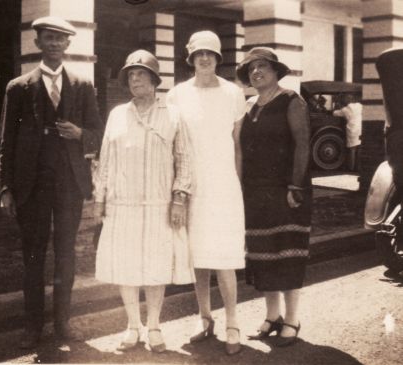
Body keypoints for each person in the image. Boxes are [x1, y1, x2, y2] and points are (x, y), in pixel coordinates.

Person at [0, 15, 103, 349]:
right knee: (33, 254)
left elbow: (98, 135)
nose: (55, 44)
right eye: (48, 38)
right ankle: (33, 327)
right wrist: (6, 188)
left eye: (60, 39)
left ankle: (63, 322)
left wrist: (80, 134)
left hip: (69, 183)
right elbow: (6, 143)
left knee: (66, 254)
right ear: (38, 43)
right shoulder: (18, 87)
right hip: (31, 183)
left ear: (68, 44)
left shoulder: (83, 85)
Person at [93, 49, 195, 353]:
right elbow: (106, 160)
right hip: (122, 205)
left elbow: (185, 159)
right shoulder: (116, 115)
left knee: (155, 267)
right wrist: (100, 199)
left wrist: (179, 198)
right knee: (126, 268)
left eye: (141, 74)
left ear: (154, 79)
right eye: (131, 75)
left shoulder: (173, 114)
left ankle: (153, 326)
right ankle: (132, 326)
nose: (135, 80)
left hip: (158, 205)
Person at [166, 30, 246, 355]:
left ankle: (233, 322)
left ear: (217, 58)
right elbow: (174, 147)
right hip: (191, 186)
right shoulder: (176, 95)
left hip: (224, 186)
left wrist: (236, 183)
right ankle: (204, 317)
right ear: (190, 58)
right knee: (198, 256)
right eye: (198, 54)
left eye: (210, 54)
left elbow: (238, 144)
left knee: (224, 258)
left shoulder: (234, 93)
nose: (204, 59)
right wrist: (177, 191)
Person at [236, 47, 312, 347]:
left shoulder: (291, 100)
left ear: (276, 71)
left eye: (263, 66)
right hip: (255, 192)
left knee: (288, 253)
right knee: (263, 255)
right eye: (252, 67)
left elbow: (303, 144)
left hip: (286, 192)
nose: (257, 71)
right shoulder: (250, 105)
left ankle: (292, 318)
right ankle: (272, 316)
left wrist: (296, 187)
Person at [333, 94, 362, 171]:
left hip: (352, 130)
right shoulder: (359, 106)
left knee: (352, 150)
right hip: (360, 129)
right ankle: (358, 168)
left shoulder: (345, 109)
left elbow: (335, 113)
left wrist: (337, 106)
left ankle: (351, 168)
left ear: (347, 101)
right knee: (359, 149)